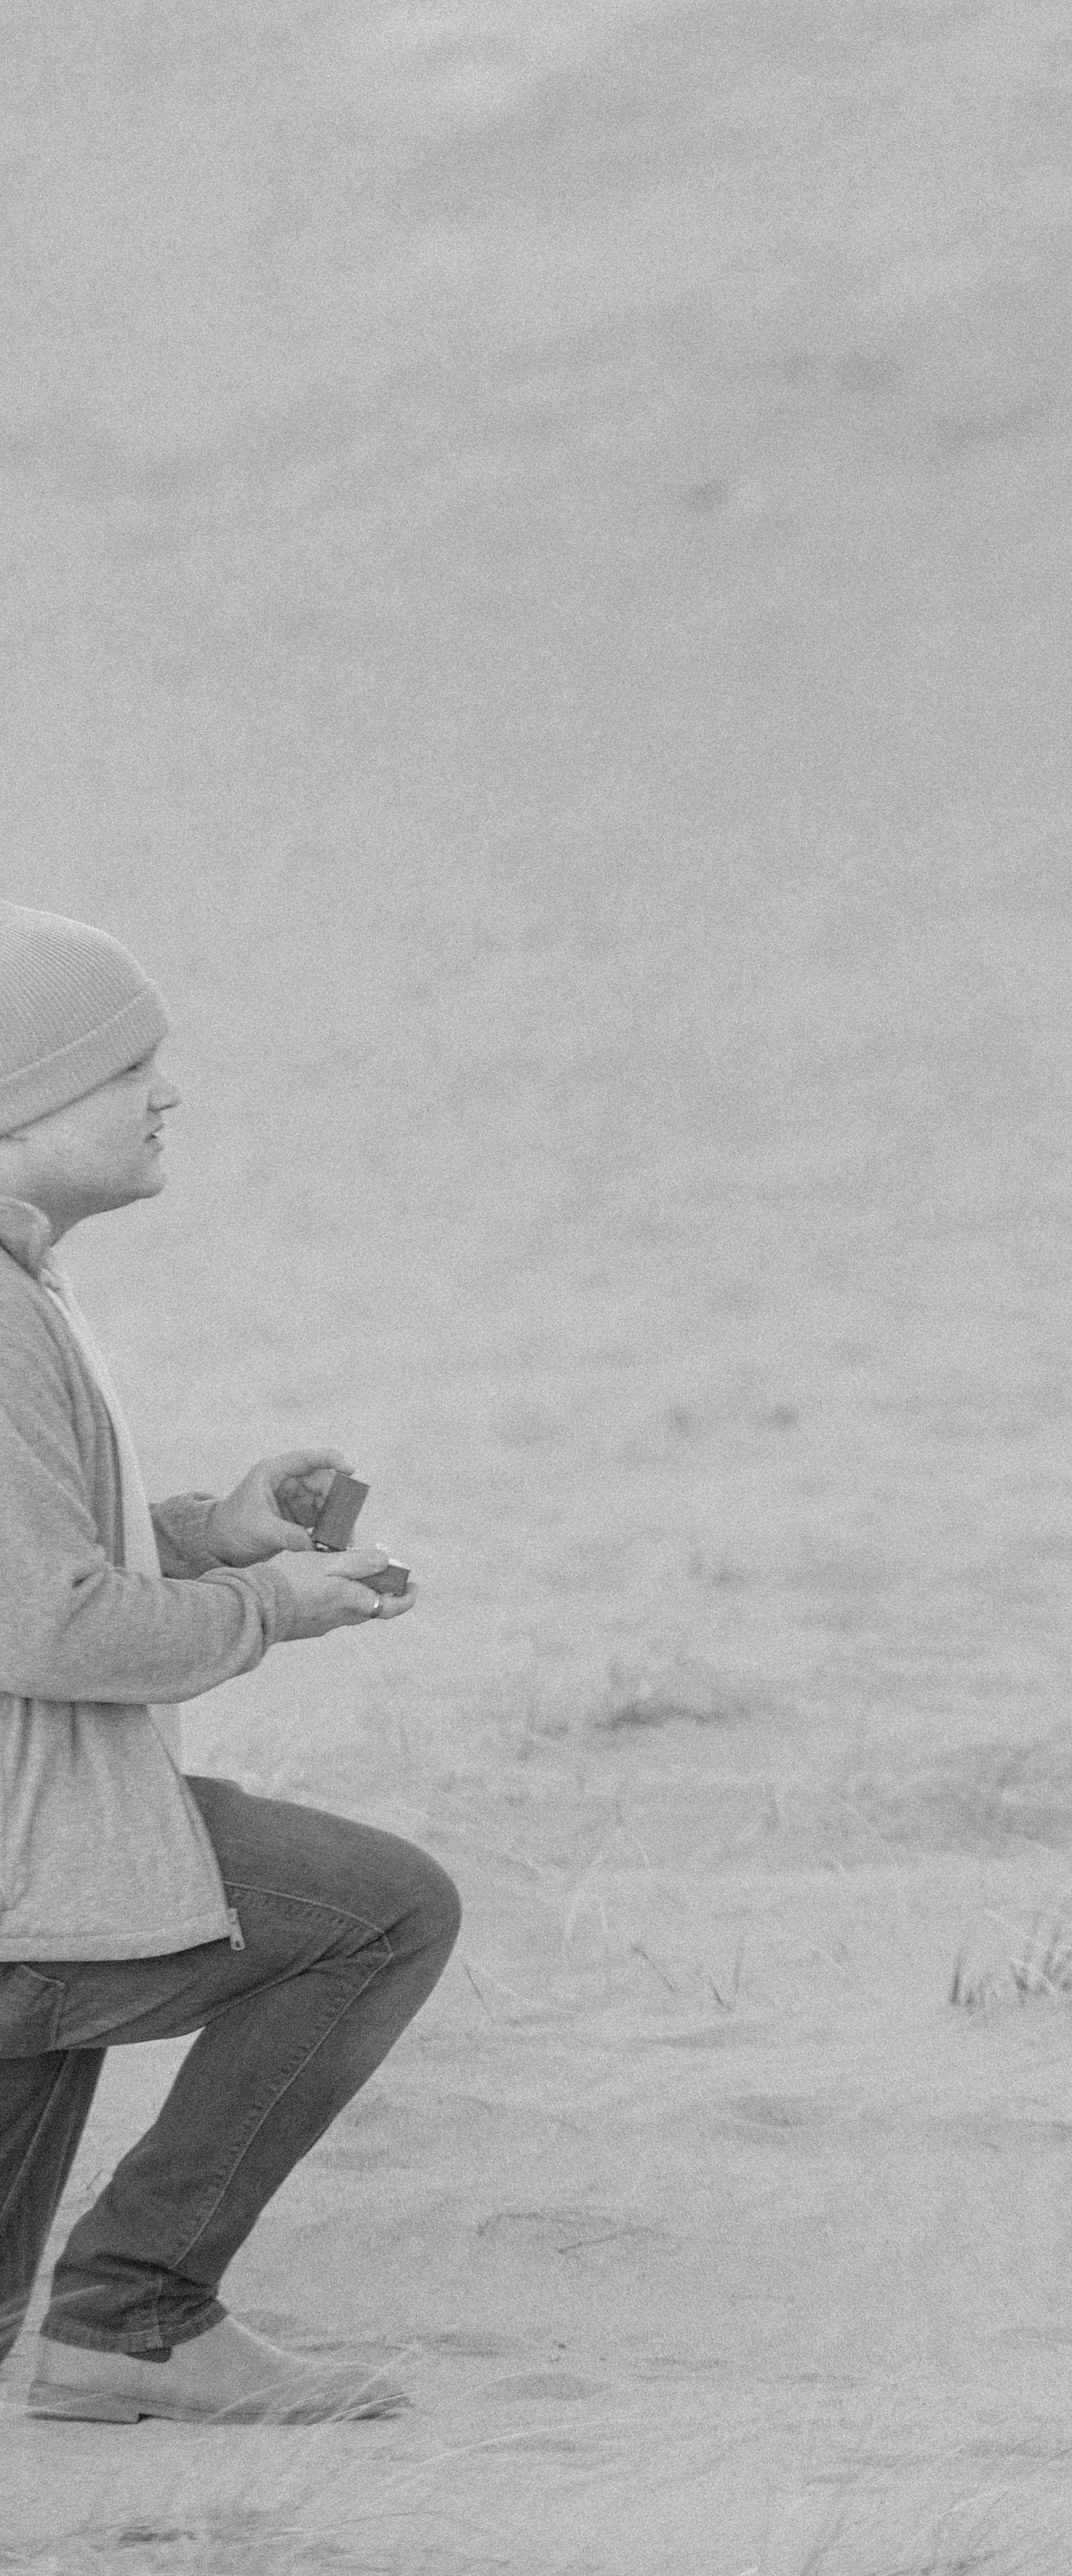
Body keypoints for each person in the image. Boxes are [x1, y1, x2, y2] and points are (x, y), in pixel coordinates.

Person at [0, 901, 460, 2423]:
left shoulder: (21, 1285)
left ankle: (104, 2322)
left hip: (39, 1847)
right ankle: (138, 2311)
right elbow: (49, 1625)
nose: (165, 1092)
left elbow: (33, 1557)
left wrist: (204, 1530)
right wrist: (273, 1604)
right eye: (123, 1062)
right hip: (29, 1858)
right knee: (377, 1911)